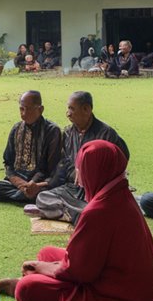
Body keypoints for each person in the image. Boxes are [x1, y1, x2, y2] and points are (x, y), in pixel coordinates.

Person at [0, 141, 153, 301]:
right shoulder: (119, 194)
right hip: (128, 294)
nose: (78, 180)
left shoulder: (100, 210)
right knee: (47, 252)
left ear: (95, 171)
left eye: (82, 171)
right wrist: (51, 265)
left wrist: (44, 269)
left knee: (28, 287)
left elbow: (80, 272)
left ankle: (20, 287)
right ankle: (40, 277)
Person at [32, 91, 130, 224]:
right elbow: (66, 165)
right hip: (74, 190)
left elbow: (122, 161)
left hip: (99, 191)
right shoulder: (68, 133)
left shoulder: (106, 134)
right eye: (68, 108)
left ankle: (82, 213)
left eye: (72, 109)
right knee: (43, 197)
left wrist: (91, 178)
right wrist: (45, 184)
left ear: (86, 109)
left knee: (102, 203)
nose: (68, 113)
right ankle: (84, 214)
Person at [0, 91, 62, 203]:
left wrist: (33, 184)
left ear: (40, 110)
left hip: (39, 183)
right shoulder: (16, 129)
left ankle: (30, 196)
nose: (24, 113)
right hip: (17, 183)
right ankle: (28, 197)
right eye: (21, 109)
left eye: (28, 109)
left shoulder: (52, 131)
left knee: (49, 191)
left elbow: (49, 168)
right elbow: (8, 162)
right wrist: (20, 184)